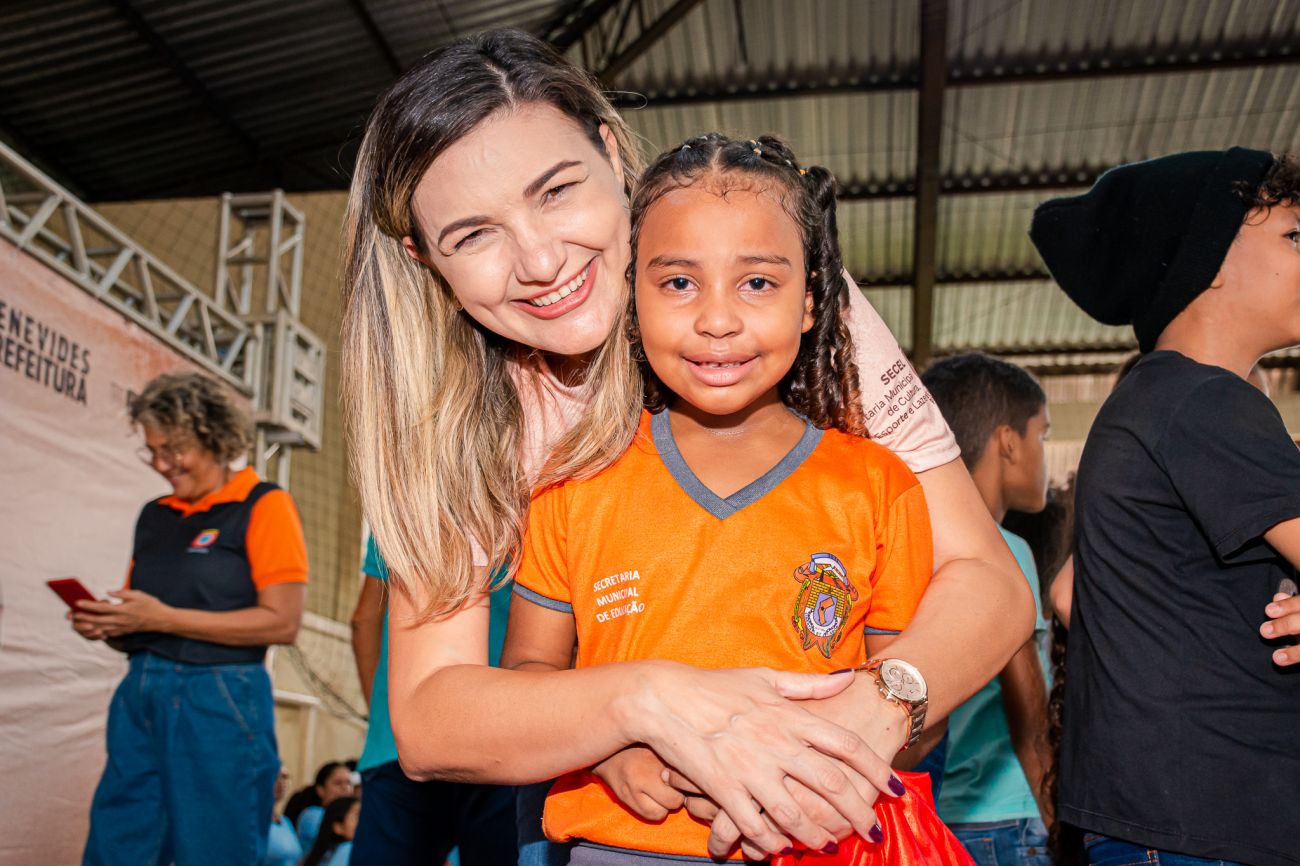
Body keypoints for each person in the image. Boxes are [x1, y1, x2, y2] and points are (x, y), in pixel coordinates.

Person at [340, 28, 1032, 860]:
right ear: (424, 259)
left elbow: (988, 580)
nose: (541, 260)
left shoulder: (769, 294)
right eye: (473, 235)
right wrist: (638, 707)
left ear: (609, 153)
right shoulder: (451, 411)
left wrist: (878, 707)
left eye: (556, 191)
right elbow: (429, 718)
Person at [502, 132, 976, 865]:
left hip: (815, 846)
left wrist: (815, 761)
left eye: (756, 283)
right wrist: (605, 746)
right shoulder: (574, 482)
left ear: (810, 303)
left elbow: (918, 714)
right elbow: (529, 673)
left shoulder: (879, 487)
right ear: (630, 299)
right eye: (678, 282)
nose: (717, 320)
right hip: (618, 844)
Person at [1030, 147, 1300, 866]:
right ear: (1207, 258)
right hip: (1218, 813)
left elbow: (1071, 592)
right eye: (1294, 236)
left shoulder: (1152, 399)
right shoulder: (1207, 400)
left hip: (1159, 816)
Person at [70, 371, 307, 866]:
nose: (162, 464)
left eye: (174, 450)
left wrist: (164, 618)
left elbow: (281, 623)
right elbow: (146, 619)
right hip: (140, 690)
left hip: (220, 693)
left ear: (214, 437)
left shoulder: (265, 505)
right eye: (153, 451)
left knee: (215, 848)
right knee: (119, 846)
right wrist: (111, 626)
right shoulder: (154, 515)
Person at [921, 354, 1054, 866]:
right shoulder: (1002, 552)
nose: (1043, 453)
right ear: (1008, 442)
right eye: (1042, 435)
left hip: (940, 816)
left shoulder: (918, 545)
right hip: (1012, 818)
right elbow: (1030, 720)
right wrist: (1057, 824)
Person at [349, 536, 517, 864]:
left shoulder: (404, 509)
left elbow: (364, 621)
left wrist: (385, 720)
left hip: (399, 742)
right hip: (501, 735)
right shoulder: (523, 511)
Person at [290, 761, 355, 853]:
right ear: (321, 790)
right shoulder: (312, 815)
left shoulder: (351, 817)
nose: (345, 788)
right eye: (338, 783)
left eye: (349, 783)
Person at [302, 796, 361, 866]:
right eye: (357, 816)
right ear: (338, 827)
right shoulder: (348, 849)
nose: (364, 820)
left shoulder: (327, 854)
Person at [265, 765, 303, 866]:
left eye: (285, 777)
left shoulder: (285, 822)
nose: (281, 782)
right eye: (274, 777)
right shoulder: (252, 822)